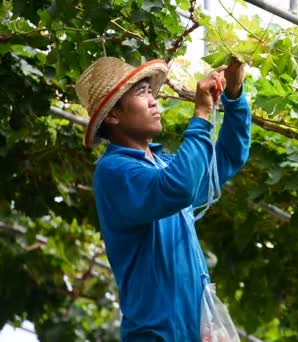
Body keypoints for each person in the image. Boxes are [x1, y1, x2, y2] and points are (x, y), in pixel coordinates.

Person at [75, 56, 251, 341]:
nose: (153, 101)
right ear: (113, 116)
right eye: (142, 93)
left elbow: (229, 158)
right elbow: (179, 187)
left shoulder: (161, 165)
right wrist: (202, 112)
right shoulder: (114, 172)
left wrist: (233, 96)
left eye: (150, 92)